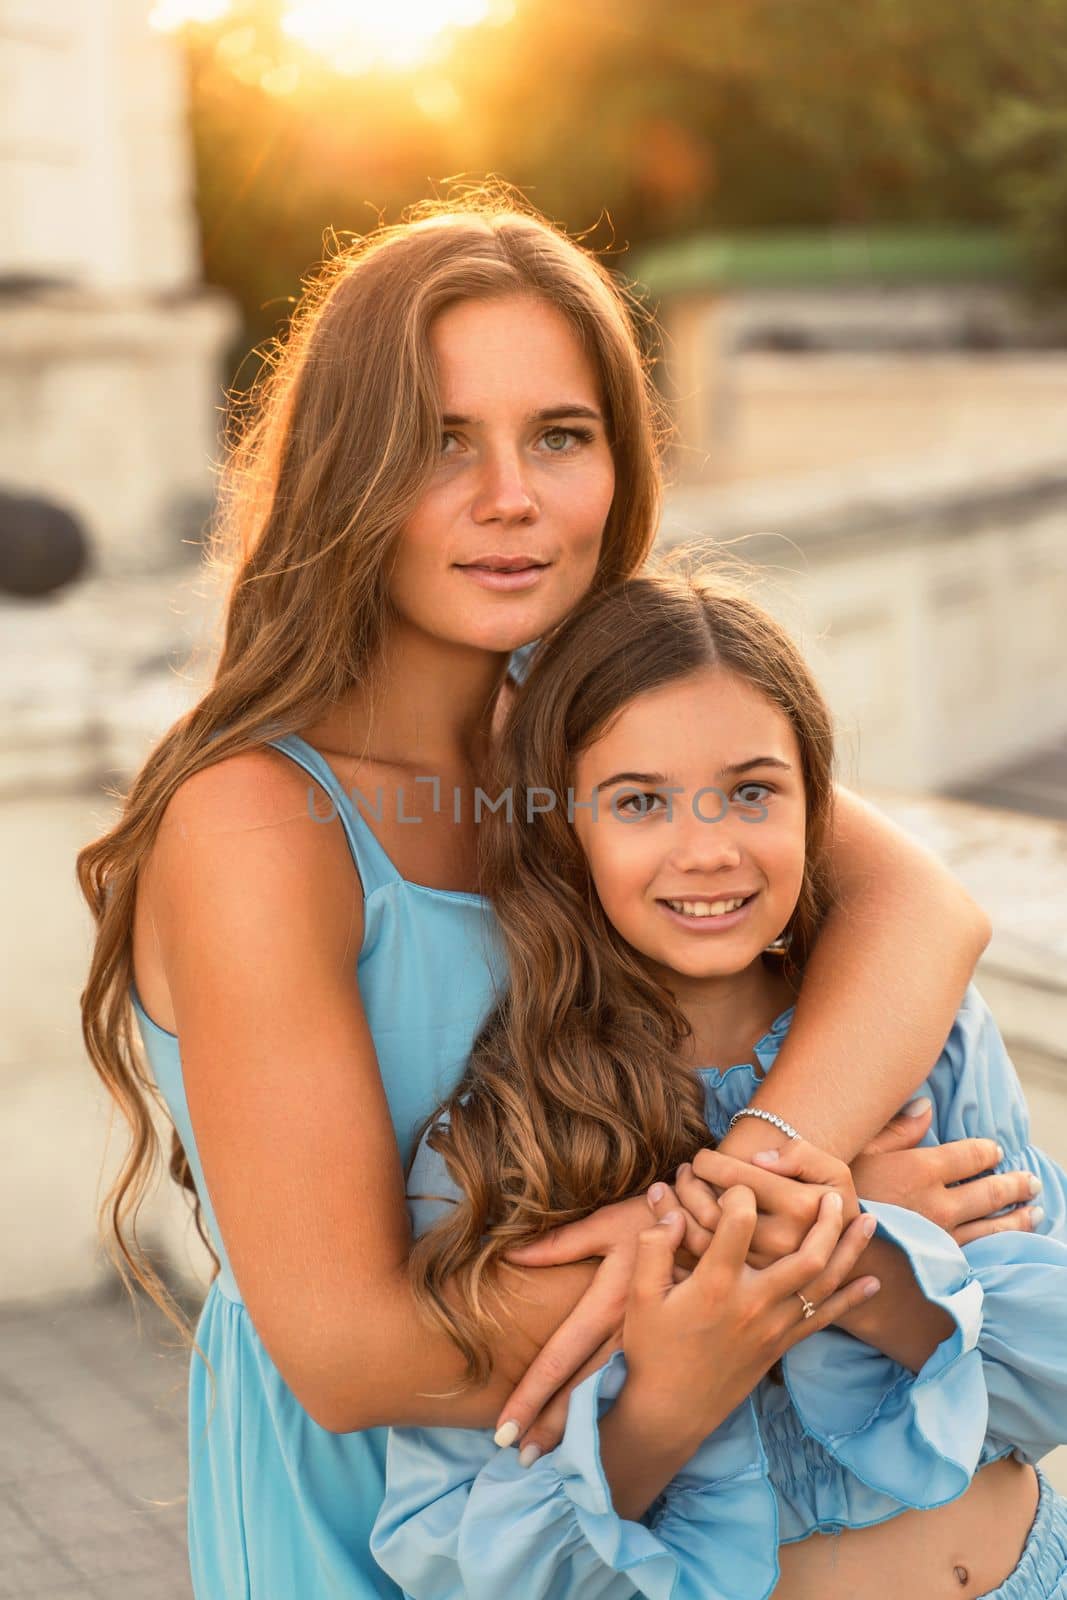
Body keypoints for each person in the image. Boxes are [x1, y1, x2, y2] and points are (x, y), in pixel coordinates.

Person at [76, 189, 1001, 1599]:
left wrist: (763, 1186)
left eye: (557, 436)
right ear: (345, 473)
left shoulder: (583, 742)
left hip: (624, 1486)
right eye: (441, 442)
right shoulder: (258, 825)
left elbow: (922, 910)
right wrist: (820, 1244)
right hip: (377, 1498)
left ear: (619, 466)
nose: (510, 497)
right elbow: (349, 1354)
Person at [370, 570, 1067, 1600]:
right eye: (639, 801)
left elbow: (1045, 1375)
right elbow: (477, 1568)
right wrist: (672, 1392)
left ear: (812, 802)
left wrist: (858, 1246)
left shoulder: (923, 1042)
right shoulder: (495, 1142)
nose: (706, 850)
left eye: (750, 791)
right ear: (564, 831)